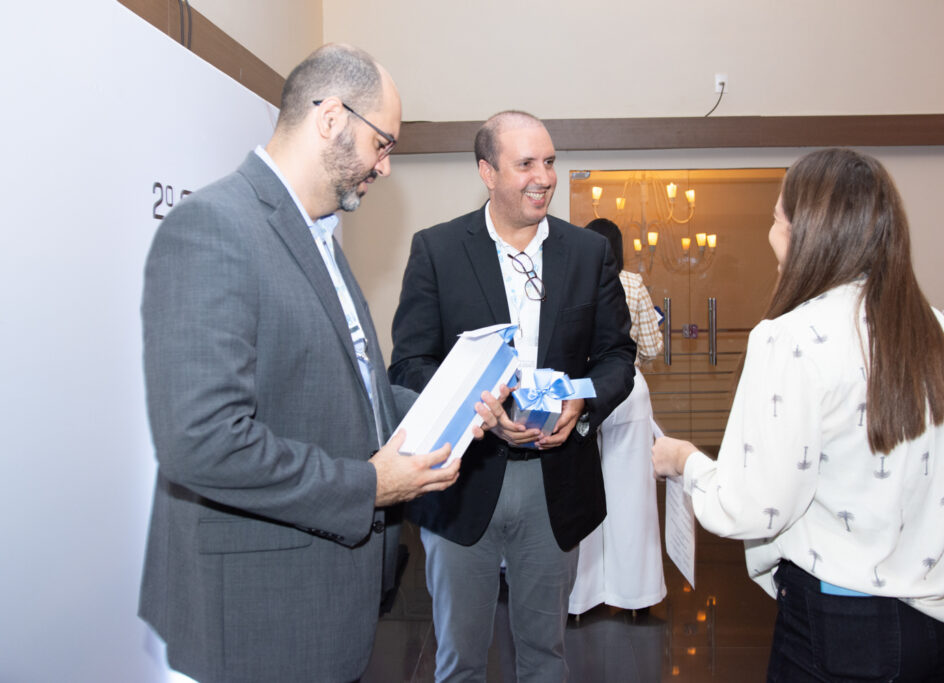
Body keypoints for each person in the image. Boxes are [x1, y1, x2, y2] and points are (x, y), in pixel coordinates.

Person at [139, 44, 483, 683]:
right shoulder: (215, 228)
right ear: (331, 118)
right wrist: (370, 486)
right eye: (383, 144)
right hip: (254, 617)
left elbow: (356, 390)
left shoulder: (317, 233)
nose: (384, 168)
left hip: (323, 601)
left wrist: (460, 407)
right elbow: (201, 442)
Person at [652, 148, 944, 682]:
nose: (771, 235)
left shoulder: (789, 339)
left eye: (776, 219)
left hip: (844, 630)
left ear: (807, 231)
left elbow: (754, 508)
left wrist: (685, 461)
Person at [388, 110, 636, 682]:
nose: (543, 177)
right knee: (460, 661)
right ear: (487, 171)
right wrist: (480, 410)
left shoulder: (587, 254)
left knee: (546, 657)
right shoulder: (438, 250)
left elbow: (618, 356)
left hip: (556, 483)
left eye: (549, 161)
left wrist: (584, 402)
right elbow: (409, 364)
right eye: (525, 163)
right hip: (462, 482)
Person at [568, 218, 666, 616]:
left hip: (582, 392)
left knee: (582, 493)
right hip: (627, 388)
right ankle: (635, 598)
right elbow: (653, 348)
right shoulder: (632, 282)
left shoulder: (573, 279)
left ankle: (580, 599)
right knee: (631, 496)